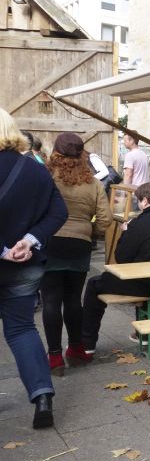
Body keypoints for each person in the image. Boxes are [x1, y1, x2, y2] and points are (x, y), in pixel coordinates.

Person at [0, 108, 67, 429]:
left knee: (20, 329)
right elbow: (59, 212)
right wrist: (30, 240)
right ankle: (42, 396)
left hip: (10, 259)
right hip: (24, 264)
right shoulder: (35, 169)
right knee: (21, 329)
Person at [81, 182, 150, 356]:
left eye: (138, 201)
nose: (138, 205)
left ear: (145, 201)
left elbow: (122, 258)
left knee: (95, 284)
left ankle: (87, 343)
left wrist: (126, 232)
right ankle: (142, 335)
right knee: (146, 272)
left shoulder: (139, 224)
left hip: (149, 286)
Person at [41, 133, 111, 376]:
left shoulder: (47, 176)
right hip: (79, 244)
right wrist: (90, 232)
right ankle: (76, 348)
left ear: (56, 152)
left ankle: (54, 357)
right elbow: (105, 219)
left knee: (51, 300)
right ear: (82, 154)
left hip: (50, 242)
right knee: (73, 299)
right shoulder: (93, 182)